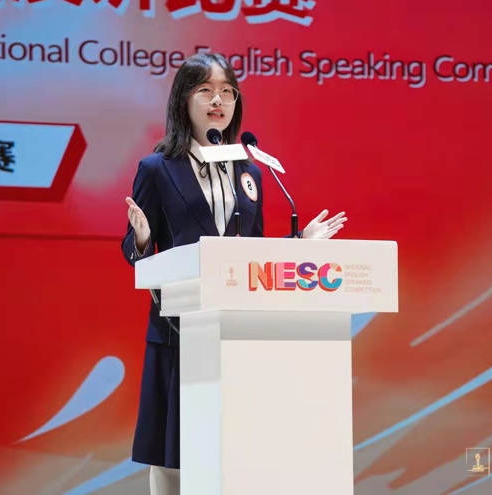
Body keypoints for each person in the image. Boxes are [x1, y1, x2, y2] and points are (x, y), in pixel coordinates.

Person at [121, 52, 347, 495]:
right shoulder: (157, 168)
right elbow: (134, 251)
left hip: (234, 329)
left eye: (227, 92)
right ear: (183, 99)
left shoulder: (249, 172)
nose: (217, 101)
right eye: (205, 90)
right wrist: (144, 239)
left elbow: (250, 254)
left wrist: (298, 244)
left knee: (228, 445)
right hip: (180, 326)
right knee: (173, 449)